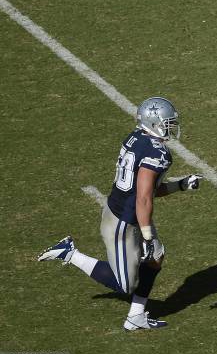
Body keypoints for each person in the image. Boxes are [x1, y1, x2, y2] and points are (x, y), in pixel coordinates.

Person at [37, 97, 203, 331]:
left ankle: (136, 316)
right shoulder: (157, 153)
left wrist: (181, 185)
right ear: (154, 123)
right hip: (123, 222)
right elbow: (143, 197)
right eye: (167, 123)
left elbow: (145, 191)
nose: (171, 128)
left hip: (127, 211)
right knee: (124, 285)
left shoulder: (136, 138)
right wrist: (147, 236)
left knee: (156, 258)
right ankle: (69, 253)